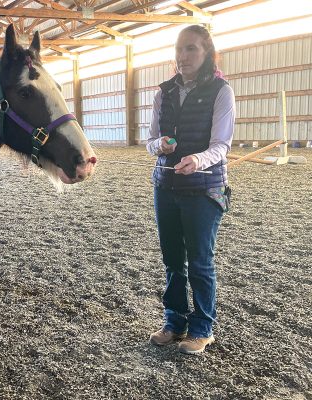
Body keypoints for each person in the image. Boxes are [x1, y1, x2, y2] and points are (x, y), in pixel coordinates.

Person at [146, 25, 235, 354]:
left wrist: (198, 159)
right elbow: (149, 141)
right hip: (166, 184)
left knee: (200, 262)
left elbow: (222, 145)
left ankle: (202, 328)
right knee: (172, 259)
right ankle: (175, 321)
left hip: (204, 188)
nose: (183, 56)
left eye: (191, 49)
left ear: (207, 52)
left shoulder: (221, 92)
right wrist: (161, 145)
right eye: (180, 49)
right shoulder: (163, 93)